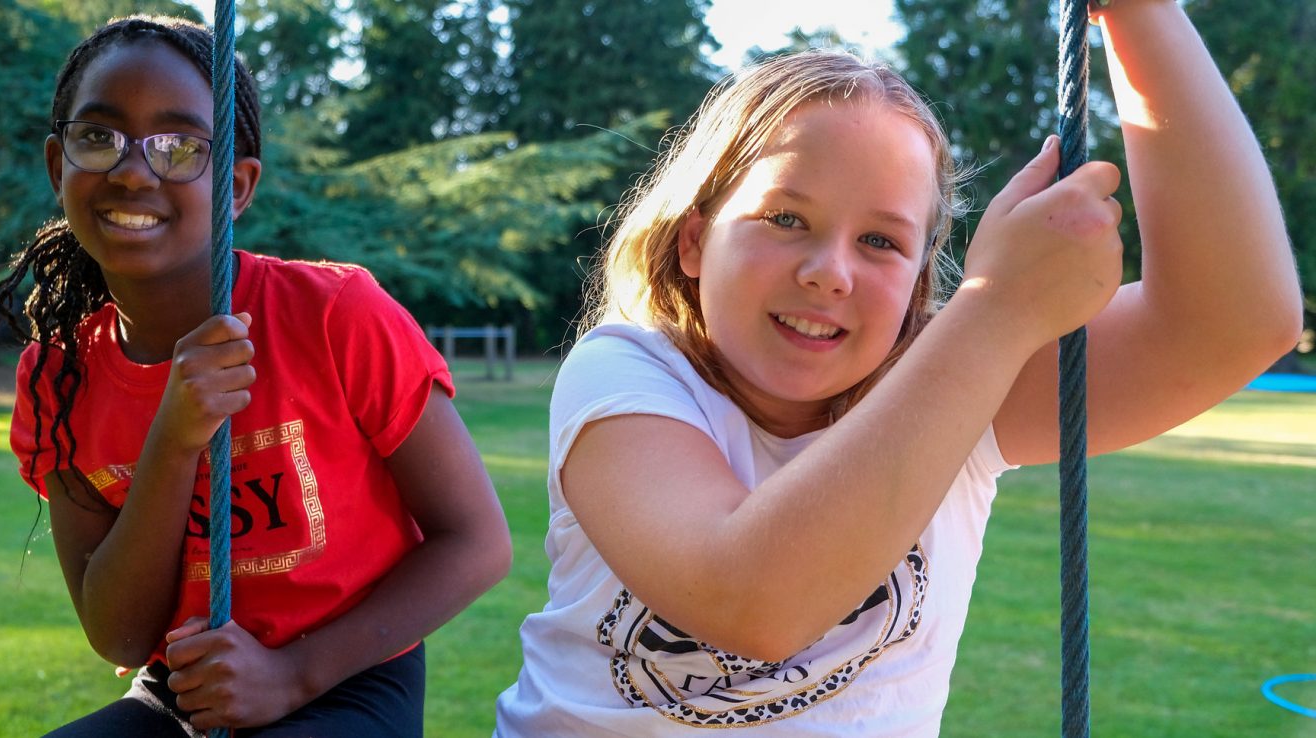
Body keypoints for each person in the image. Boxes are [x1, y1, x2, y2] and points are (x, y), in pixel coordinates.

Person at [494, 2, 1301, 735]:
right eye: (785, 218)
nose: (830, 273)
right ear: (695, 241)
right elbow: (751, 601)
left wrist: (1142, 13)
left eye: (881, 241)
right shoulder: (627, 373)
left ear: (920, 280)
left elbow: (1233, 322)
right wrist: (998, 310)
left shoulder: (958, 382)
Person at [0, 15, 511, 737]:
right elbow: (117, 634)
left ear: (236, 186)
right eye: (99, 137)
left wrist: (292, 675)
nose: (134, 170)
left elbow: (478, 542)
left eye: (178, 147)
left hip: (350, 677)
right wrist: (173, 438)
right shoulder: (57, 378)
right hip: (185, 687)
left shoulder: (333, 316)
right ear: (58, 166)